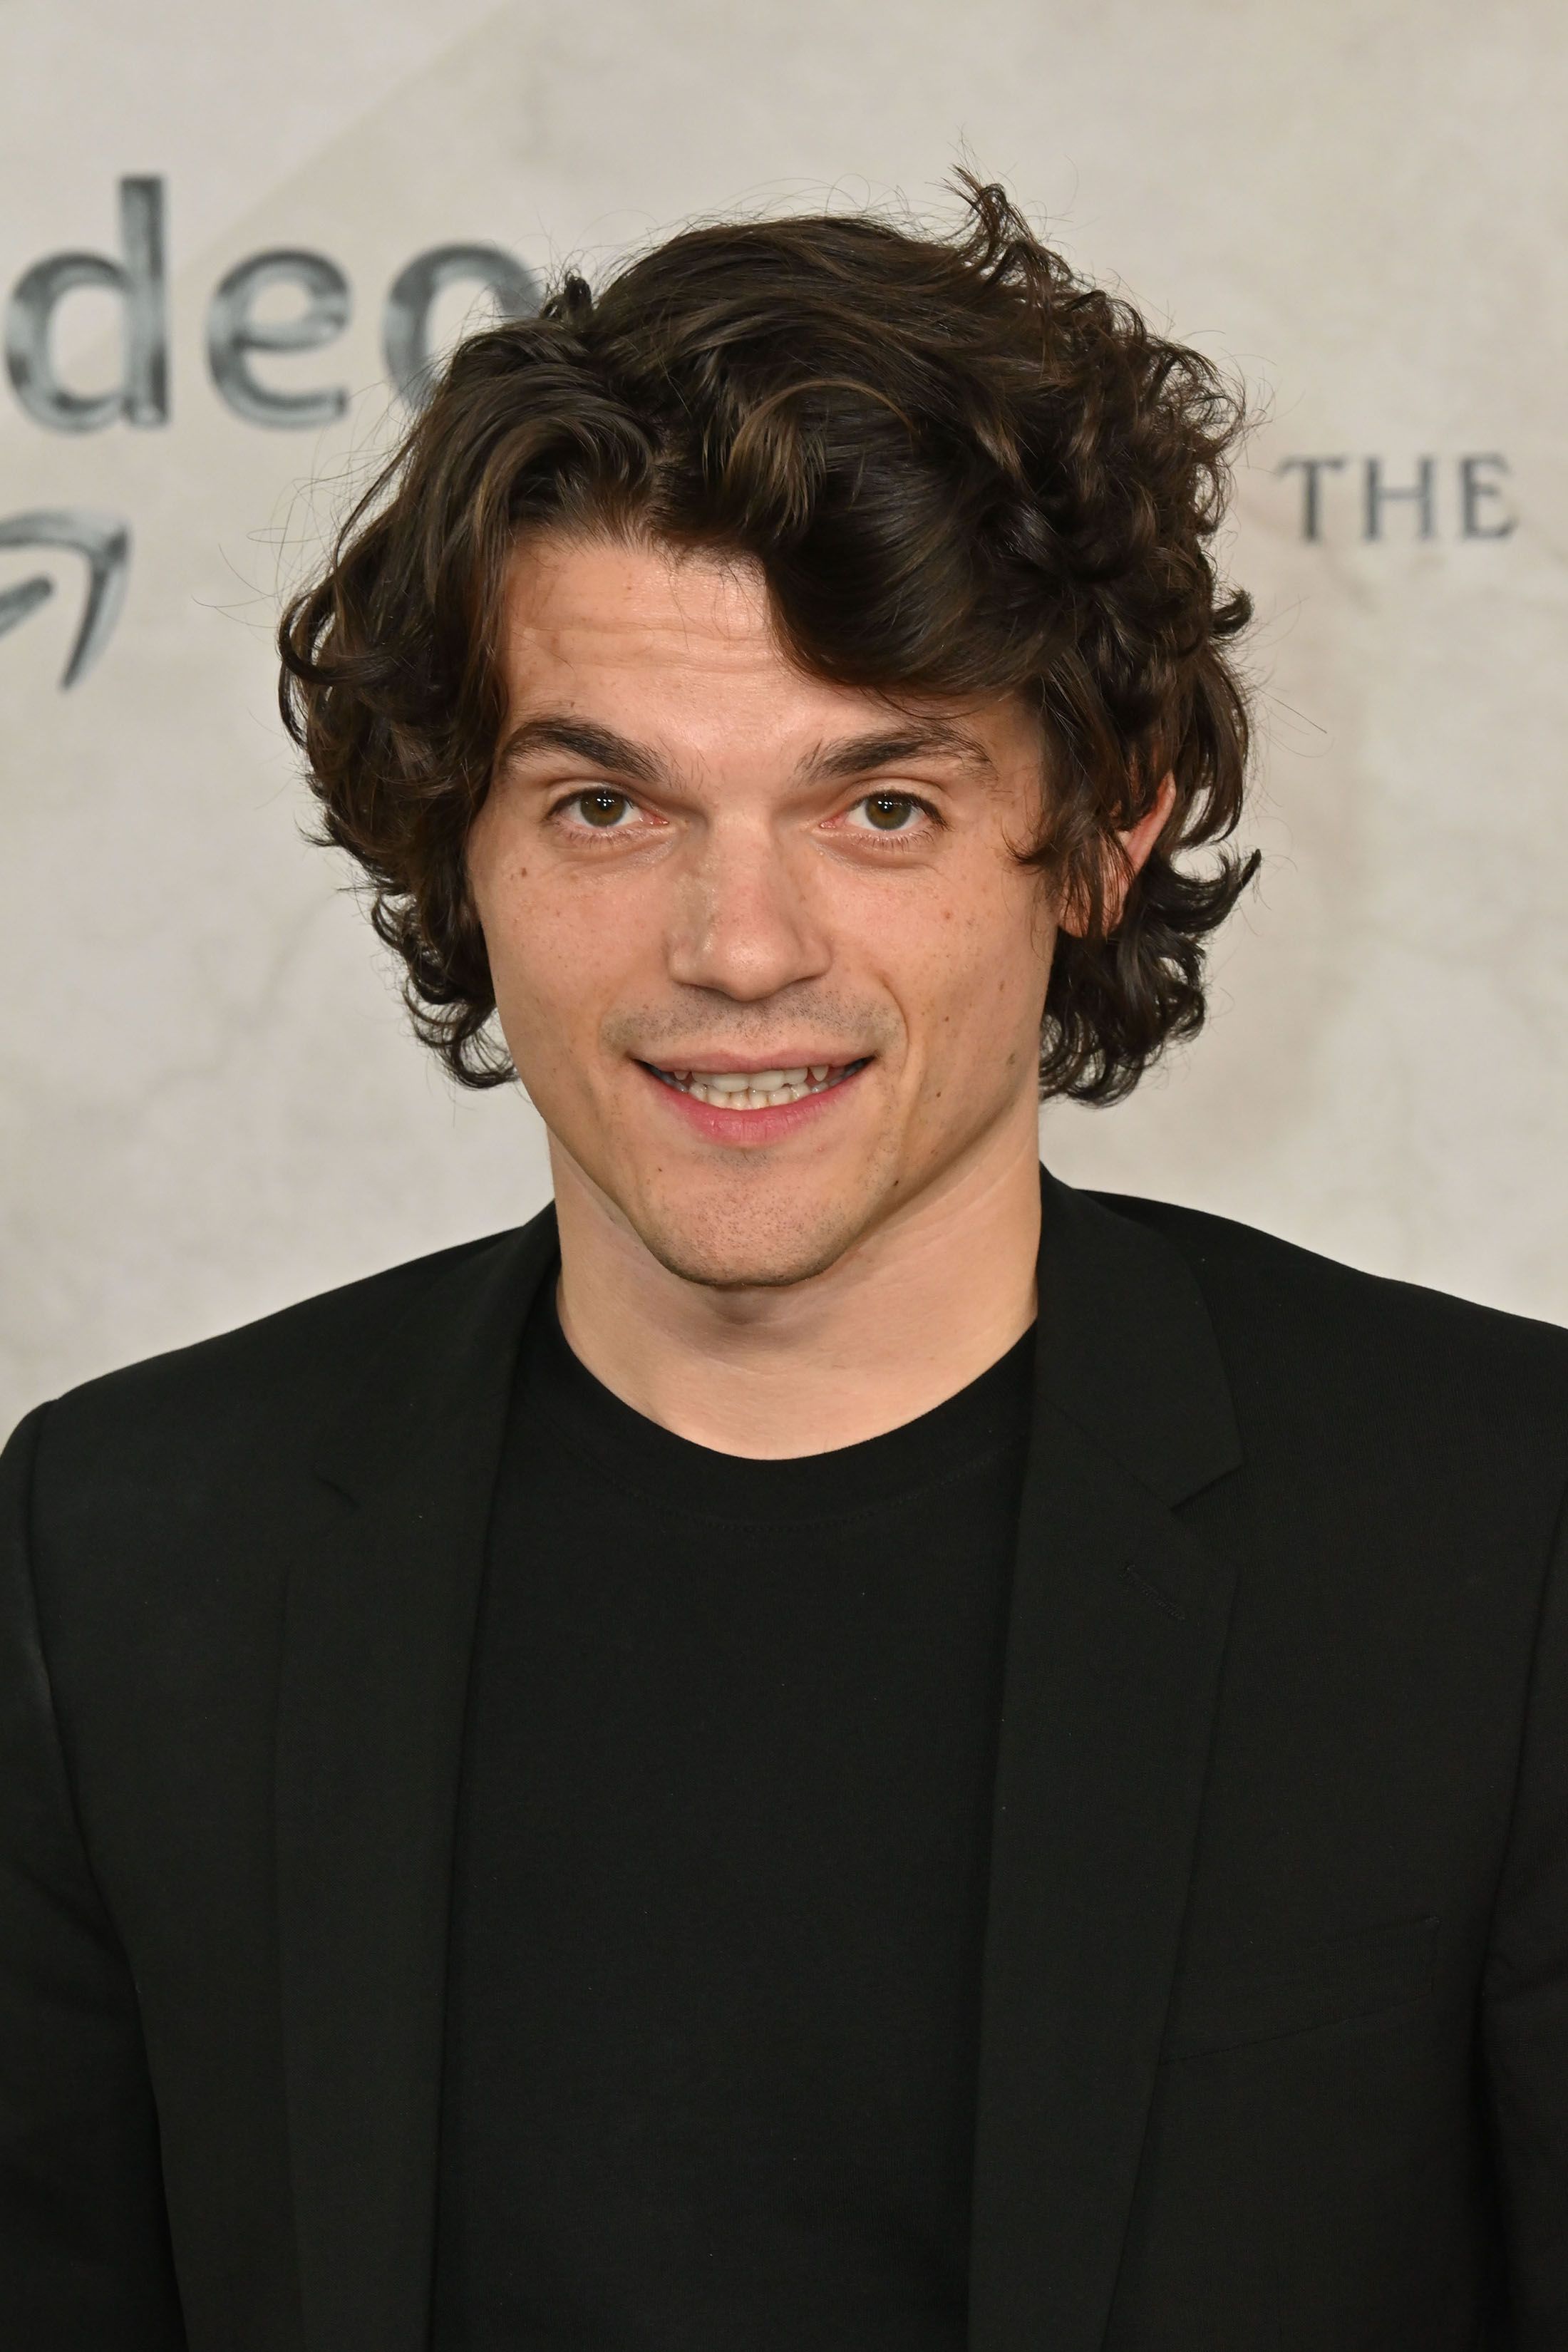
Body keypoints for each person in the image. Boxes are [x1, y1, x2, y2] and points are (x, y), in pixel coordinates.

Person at [1, 174, 1564, 2352]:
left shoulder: (1499, 1537)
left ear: (1105, 827)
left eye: (881, 807)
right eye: (608, 808)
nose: (739, 950)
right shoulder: (127, 1559)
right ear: (459, 841)